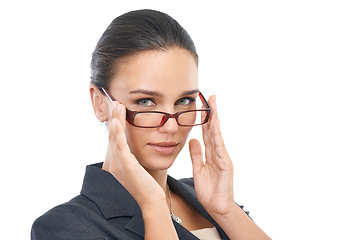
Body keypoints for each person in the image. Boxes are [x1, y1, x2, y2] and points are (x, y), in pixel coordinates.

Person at [31, 9, 270, 240]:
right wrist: (154, 207)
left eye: (184, 100)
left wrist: (226, 210)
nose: (171, 127)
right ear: (99, 103)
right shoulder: (64, 227)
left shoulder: (206, 197)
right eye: (145, 101)